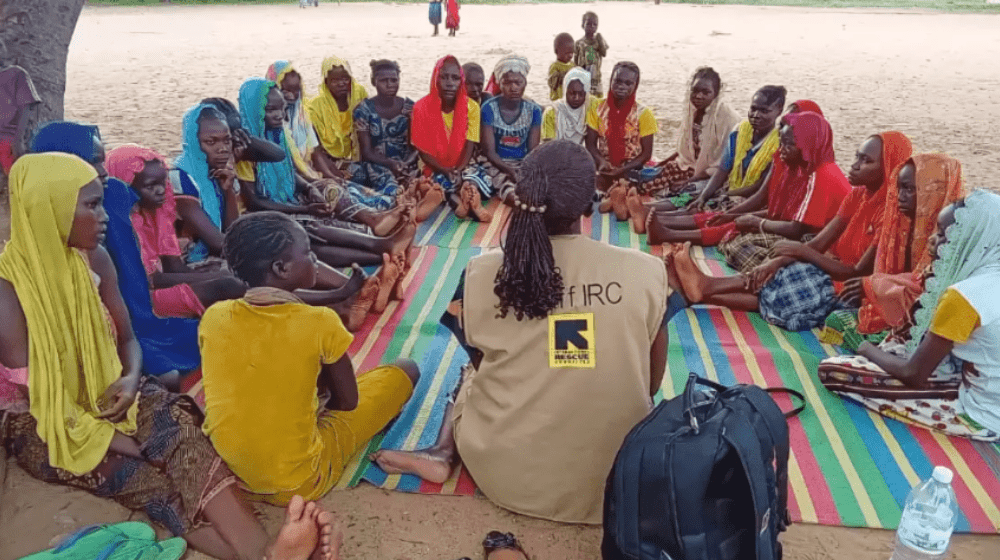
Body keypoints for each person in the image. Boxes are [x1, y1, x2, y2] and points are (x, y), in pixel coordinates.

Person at [0, 153, 337, 560]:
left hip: (110, 389)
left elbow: (128, 342)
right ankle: (262, 552)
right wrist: (131, 442)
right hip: (43, 421)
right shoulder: (8, 289)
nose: (105, 216)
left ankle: (268, 553)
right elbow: (41, 398)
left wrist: (130, 378)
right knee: (142, 478)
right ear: (47, 208)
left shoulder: (95, 260)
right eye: (91, 205)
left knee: (184, 437)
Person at [371, 141, 670, 525]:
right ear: (587, 205)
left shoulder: (481, 274)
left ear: (522, 195)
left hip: (508, 475)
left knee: (464, 374)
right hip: (619, 480)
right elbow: (651, 383)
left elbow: (480, 363)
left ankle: (442, 451)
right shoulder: (646, 272)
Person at [200, 211, 421, 505]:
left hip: (230, 477)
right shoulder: (319, 322)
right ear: (281, 268)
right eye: (307, 253)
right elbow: (347, 403)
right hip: (298, 482)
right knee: (405, 369)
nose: (315, 259)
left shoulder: (214, 316)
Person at [669, 131, 913, 331]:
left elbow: (856, 273)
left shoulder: (891, 216)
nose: (855, 165)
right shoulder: (858, 195)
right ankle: (703, 288)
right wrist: (780, 260)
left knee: (789, 289)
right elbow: (817, 244)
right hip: (831, 266)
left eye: (866, 161)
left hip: (854, 288)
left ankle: (704, 289)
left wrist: (797, 251)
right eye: (857, 157)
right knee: (776, 270)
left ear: (890, 168)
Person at [28, 122, 201, 388]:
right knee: (170, 374)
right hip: (95, 342)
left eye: (102, 161)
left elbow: (131, 274)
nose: (102, 171)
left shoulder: (114, 195)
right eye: (92, 161)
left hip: (134, 320)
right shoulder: (40, 239)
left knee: (206, 337)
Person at [817, 190, 1000, 442]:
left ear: (970, 240)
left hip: (985, 413)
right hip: (984, 383)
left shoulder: (964, 296)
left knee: (832, 370)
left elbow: (914, 374)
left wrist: (866, 349)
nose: (933, 241)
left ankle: (970, 424)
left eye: (945, 235)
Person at [237, 77, 416, 271]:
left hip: (290, 201)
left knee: (326, 189)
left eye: (282, 109)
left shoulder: (278, 136)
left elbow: (290, 174)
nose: (279, 115)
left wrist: (309, 187)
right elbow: (255, 202)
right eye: (271, 110)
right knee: (311, 228)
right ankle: (382, 250)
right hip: (267, 213)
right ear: (254, 110)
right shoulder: (246, 149)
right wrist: (304, 210)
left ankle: (375, 224)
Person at [646, 111, 851, 272]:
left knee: (739, 240)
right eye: (782, 142)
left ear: (808, 144)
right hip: (799, 232)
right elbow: (780, 213)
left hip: (815, 243)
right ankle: (666, 229)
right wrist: (741, 216)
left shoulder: (819, 175)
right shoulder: (800, 168)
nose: (782, 149)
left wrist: (754, 221)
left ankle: (669, 232)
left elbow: (796, 228)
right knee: (732, 220)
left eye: (789, 144)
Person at [820, 154, 964, 351]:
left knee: (840, 317)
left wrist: (873, 285)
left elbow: (927, 291)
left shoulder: (951, 233)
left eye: (910, 189)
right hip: (894, 307)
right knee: (836, 317)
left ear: (933, 191)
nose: (900, 196)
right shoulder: (900, 225)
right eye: (900, 188)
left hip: (924, 322)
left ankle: (881, 353)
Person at [106, 145, 245, 319]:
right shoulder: (123, 222)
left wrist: (208, 275)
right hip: (142, 298)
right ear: (125, 186)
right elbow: (152, 280)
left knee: (230, 278)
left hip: (156, 286)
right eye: (150, 186)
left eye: (163, 182)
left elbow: (174, 266)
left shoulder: (156, 212)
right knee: (229, 286)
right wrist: (214, 277)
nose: (161, 190)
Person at [655, 86, 786, 213]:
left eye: (764, 111)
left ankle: (661, 217)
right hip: (730, 187)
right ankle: (652, 209)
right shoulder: (740, 131)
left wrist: (724, 194)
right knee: (692, 194)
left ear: (779, 111)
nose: (756, 115)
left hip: (751, 197)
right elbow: (723, 170)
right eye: (753, 109)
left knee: (711, 204)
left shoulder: (780, 143)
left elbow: (758, 187)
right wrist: (704, 195)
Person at [411, 55, 492, 222]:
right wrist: (445, 170)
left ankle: (466, 196)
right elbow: (423, 151)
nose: (450, 83)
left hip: (463, 163)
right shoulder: (420, 108)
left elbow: (470, 143)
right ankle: (461, 202)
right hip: (434, 165)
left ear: (461, 81)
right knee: (436, 180)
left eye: (455, 78)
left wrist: (460, 169)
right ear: (435, 78)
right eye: (444, 77)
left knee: (476, 176)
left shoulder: (472, 107)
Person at [584, 61, 663, 220]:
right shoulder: (597, 108)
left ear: (636, 86)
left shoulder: (644, 114)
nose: (622, 86)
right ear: (611, 80)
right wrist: (601, 162)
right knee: (587, 179)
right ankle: (616, 198)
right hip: (605, 165)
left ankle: (613, 199)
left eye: (628, 83)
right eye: (618, 81)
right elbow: (590, 144)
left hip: (632, 166)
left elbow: (646, 154)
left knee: (636, 180)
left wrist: (621, 170)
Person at [648, 67, 741, 197]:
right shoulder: (692, 112)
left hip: (711, 176)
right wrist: (659, 165)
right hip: (688, 167)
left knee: (678, 194)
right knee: (642, 181)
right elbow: (686, 149)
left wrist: (688, 181)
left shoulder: (727, 119)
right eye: (695, 90)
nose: (698, 96)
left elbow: (721, 166)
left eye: (705, 92)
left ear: (716, 93)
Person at [479, 55, 543, 208]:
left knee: (539, 184)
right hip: (496, 162)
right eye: (507, 82)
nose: (513, 87)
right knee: (506, 186)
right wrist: (510, 172)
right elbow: (489, 152)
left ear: (525, 83)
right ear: (499, 84)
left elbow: (532, 151)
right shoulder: (489, 109)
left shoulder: (533, 110)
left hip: (523, 162)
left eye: (518, 82)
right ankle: (514, 198)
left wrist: (524, 172)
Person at [352, 60, 418, 205]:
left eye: (394, 80)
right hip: (377, 164)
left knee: (423, 184)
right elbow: (367, 152)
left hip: (407, 163)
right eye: (383, 81)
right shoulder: (363, 111)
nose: (390, 85)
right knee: (391, 188)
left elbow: (417, 146)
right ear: (373, 82)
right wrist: (390, 163)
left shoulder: (410, 108)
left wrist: (406, 163)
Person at [265, 60, 342, 181]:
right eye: (286, 90)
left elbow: (314, 150)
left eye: (297, 90)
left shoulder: (301, 116)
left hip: (307, 172)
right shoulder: (270, 121)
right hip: (289, 178)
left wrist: (330, 176)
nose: (293, 95)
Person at [307, 56, 369, 169]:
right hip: (327, 157)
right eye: (335, 80)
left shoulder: (359, 94)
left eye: (345, 79)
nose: (341, 83)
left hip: (357, 154)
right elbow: (315, 146)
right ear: (326, 82)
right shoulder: (316, 107)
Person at [0, 38, 40, 179]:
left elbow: (25, 108)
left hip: (9, 140)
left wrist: (18, 140)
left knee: (18, 182)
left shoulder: (16, 74)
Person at [541, 67, 592, 146]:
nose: (577, 98)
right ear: (565, 91)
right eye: (572, 93)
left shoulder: (587, 111)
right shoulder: (552, 112)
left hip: (577, 154)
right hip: (554, 154)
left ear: (586, 94)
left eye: (581, 94)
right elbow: (548, 146)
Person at [574, 12, 608, 97]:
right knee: (585, 100)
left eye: (595, 24)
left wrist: (600, 41)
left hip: (596, 78)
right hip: (583, 78)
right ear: (583, 25)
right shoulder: (579, 43)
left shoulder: (599, 40)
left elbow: (604, 53)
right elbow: (575, 62)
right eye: (588, 24)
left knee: (598, 101)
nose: (592, 26)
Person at [548, 32, 576, 101]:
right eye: (567, 53)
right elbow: (552, 83)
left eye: (572, 52)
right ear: (557, 51)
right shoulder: (554, 66)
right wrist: (568, 75)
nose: (570, 55)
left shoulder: (573, 65)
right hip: (558, 100)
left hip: (570, 100)